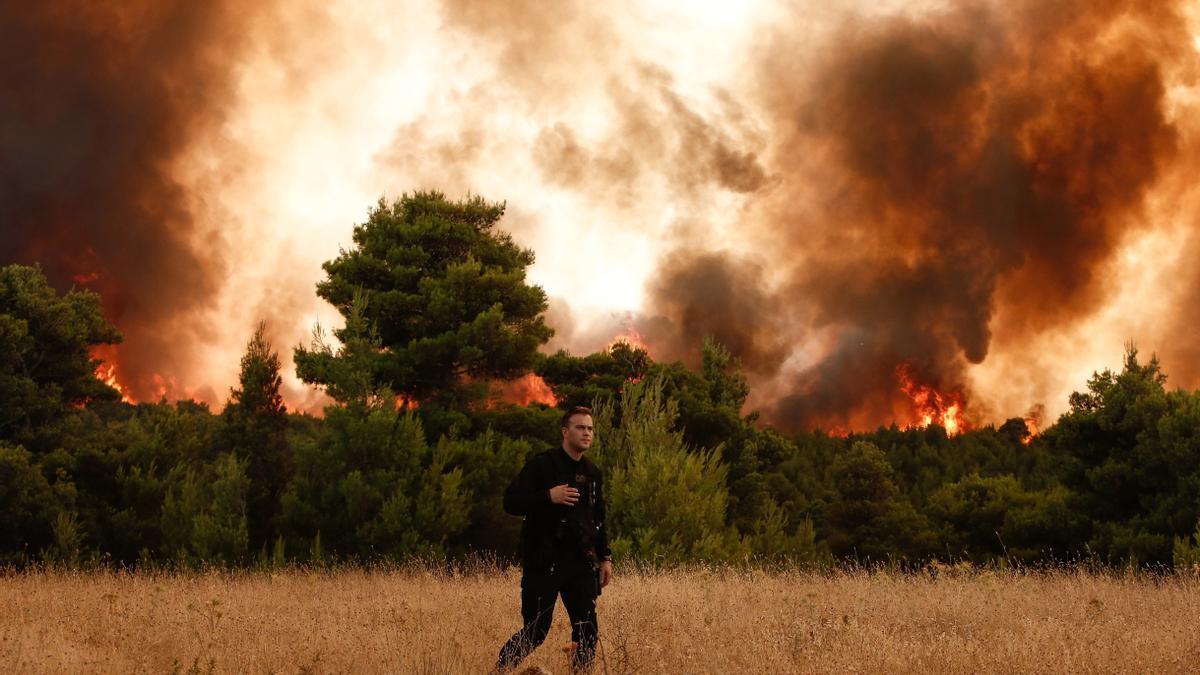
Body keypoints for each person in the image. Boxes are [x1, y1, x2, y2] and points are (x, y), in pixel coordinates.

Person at [495, 406, 613, 673]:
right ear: (565, 431)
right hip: (543, 561)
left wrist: (605, 557)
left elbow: (598, 519)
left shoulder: (593, 473)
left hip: (580, 563)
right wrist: (548, 496)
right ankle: (499, 671)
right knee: (536, 630)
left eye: (590, 428)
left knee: (587, 629)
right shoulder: (542, 465)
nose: (586, 433)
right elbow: (510, 502)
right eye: (580, 427)